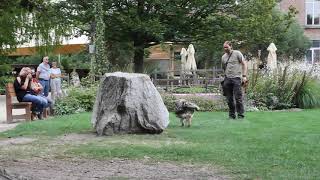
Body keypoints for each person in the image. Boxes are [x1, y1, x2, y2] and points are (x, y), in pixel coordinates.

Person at [221, 41, 247, 119]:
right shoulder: (223, 57)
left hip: (237, 78)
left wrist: (244, 76)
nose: (225, 49)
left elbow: (244, 64)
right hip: (227, 79)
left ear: (231, 46)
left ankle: (240, 115)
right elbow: (224, 68)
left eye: (226, 47)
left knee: (238, 98)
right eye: (224, 47)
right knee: (229, 99)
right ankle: (232, 115)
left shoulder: (237, 53)